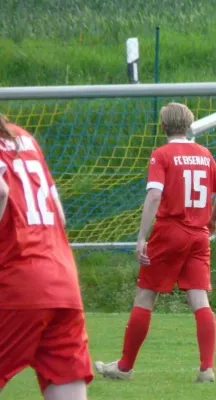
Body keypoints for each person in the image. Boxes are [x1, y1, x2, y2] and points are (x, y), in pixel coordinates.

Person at [94, 103, 216, 383]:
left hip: (171, 231)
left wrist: (142, 236)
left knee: (146, 296)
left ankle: (125, 367)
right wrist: (212, 221)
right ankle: (207, 369)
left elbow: (154, 196)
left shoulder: (162, 154)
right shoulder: (204, 154)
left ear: (163, 127)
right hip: (199, 235)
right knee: (199, 299)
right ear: (190, 126)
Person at [0, 114, 94, 399]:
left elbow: (1, 192)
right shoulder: (22, 138)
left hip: (17, 280)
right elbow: (60, 216)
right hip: (62, 280)